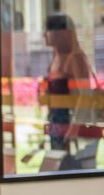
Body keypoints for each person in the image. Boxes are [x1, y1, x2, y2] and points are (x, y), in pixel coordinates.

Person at [39, 13, 98, 170]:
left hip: (70, 129)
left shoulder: (75, 58)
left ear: (62, 33)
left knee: (72, 172)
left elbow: (85, 96)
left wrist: (73, 129)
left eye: (48, 30)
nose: (44, 34)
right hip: (57, 126)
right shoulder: (56, 57)